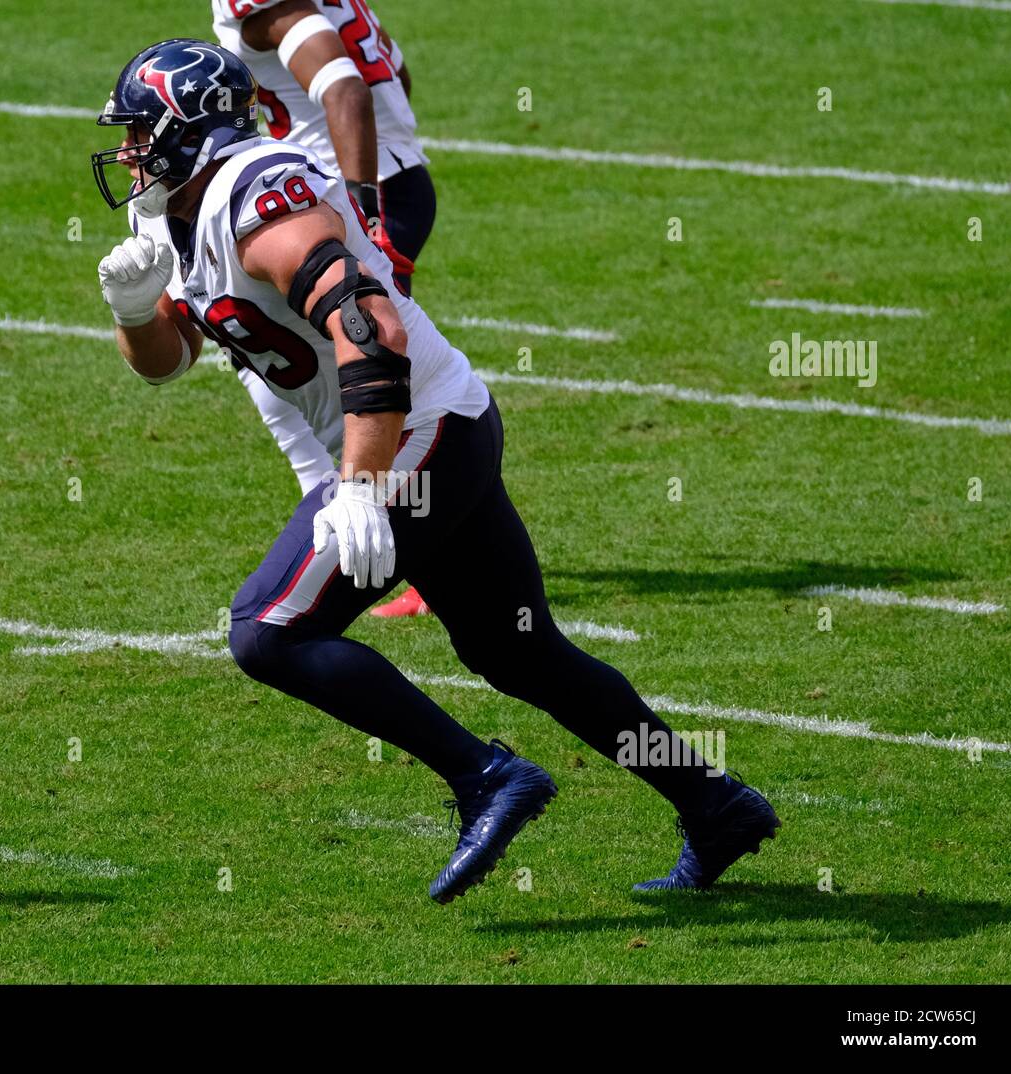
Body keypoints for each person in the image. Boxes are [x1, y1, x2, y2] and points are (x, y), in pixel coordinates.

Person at [92, 39, 781, 902]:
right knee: (519, 651)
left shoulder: (256, 196)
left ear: (187, 131)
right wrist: (131, 310)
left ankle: (485, 775)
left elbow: (367, 322)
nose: (125, 153)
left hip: (414, 427)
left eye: (138, 133)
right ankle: (714, 803)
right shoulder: (166, 214)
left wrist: (358, 485)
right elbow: (167, 359)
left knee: (269, 632)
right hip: (435, 425)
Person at [209, 0, 435, 617]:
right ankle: (349, 520)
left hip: (352, 191)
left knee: (368, 367)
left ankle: (397, 541)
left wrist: (362, 207)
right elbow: (395, 75)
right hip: (386, 179)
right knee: (282, 359)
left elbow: (345, 89)